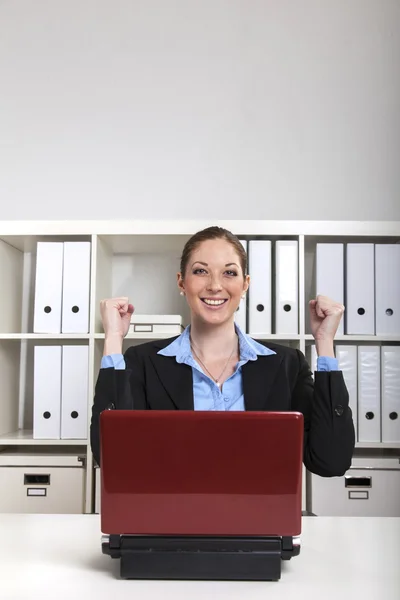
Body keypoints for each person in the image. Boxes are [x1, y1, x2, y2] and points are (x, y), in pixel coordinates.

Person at [90, 226, 355, 475]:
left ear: (245, 284)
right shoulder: (143, 362)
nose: (215, 285)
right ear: (181, 282)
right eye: (201, 271)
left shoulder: (287, 365)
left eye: (229, 272)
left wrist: (324, 342)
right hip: (173, 520)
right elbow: (113, 458)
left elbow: (330, 460)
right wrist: (113, 338)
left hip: (260, 521)